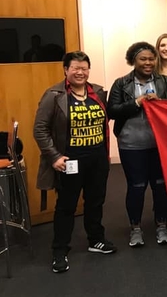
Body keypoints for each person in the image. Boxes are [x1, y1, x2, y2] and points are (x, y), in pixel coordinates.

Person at [33, 51, 115, 274]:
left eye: (84, 68)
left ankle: (95, 239)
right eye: (75, 68)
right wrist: (54, 156)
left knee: (95, 201)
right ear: (66, 70)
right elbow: (40, 129)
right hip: (70, 160)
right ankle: (60, 250)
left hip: (97, 158)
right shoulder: (54, 95)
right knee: (67, 206)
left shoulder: (97, 92)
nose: (80, 72)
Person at [108, 42, 167, 248]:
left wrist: (161, 103)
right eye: (143, 59)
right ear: (133, 61)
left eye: (151, 59)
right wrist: (137, 103)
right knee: (136, 186)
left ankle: (162, 225)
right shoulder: (121, 83)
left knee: (160, 185)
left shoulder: (164, 81)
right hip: (131, 144)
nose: (148, 63)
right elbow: (112, 111)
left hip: (160, 145)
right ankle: (136, 228)